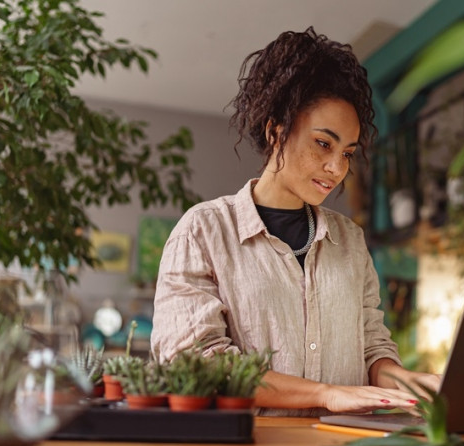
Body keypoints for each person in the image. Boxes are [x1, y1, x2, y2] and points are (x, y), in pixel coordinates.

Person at [151, 27, 440, 417]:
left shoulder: (349, 240)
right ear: (276, 131)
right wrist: (324, 394)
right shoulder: (203, 232)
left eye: (347, 152)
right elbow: (196, 364)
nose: (337, 168)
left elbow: (372, 348)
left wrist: (412, 383)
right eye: (324, 143)